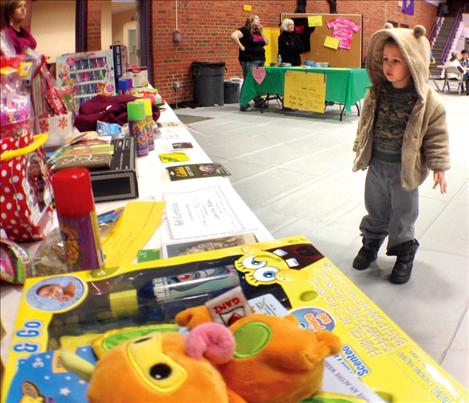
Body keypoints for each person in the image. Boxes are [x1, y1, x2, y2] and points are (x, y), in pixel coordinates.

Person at [352, 23, 450, 285]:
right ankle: (371, 243)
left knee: (403, 214)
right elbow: (367, 124)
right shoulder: (377, 93)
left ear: (413, 63)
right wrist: (360, 147)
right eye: (385, 59)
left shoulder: (426, 100)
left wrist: (438, 166)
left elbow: (436, 134)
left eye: (397, 60)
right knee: (375, 208)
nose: (388, 66)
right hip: (377, 164)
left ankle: (404, 253)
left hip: (405, 170)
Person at [231, 14, 268, 111]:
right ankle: (243, 103)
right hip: (249, 59)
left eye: (259, 19)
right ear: (251, 20)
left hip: (260, 59)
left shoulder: (257, 32)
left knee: (257, 81)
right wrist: (241, 47)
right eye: (256, 18)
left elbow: (266, 42)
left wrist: (262, 32)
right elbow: (234, 36)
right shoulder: (245, 30)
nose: (258, 20)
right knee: (248, 80)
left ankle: (258, 101)